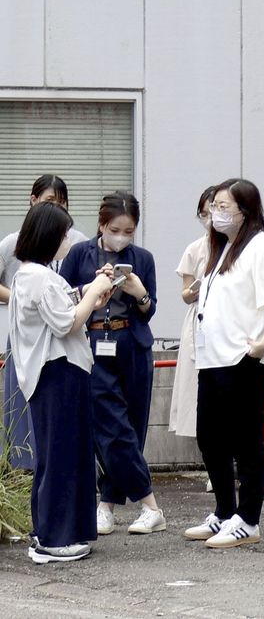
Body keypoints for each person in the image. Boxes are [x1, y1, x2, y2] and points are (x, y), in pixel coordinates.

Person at [185, 178, 264, 549]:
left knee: (246, 439)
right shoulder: (221, 248)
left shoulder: (261, 246)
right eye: (213, 206)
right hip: (213, 358)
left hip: (243, 358)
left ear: (245, 210)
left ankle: (248, 519)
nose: (216, 214)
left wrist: (263, 344)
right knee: (210, 437)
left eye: (224, 207)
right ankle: (224, 511)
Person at [10, 202, 112, 562]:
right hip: (59, 371)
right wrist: (97, 286)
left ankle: (50, 532)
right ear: (49, 236)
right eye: (63, 233)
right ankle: (55, 540)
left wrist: (91, 295)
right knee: (63, 455)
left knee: (56, 455)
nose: (67, 239)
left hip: (51, 373)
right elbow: (67, 323)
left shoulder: (28, 274)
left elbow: (64, 310)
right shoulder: (38, 276)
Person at [60, 192, 165, 537]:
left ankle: (106, 505)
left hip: (131, 345)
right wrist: (94, 286)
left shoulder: (142, 259)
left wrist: (138, 292)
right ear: (102, 224)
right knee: (110, 426)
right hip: (92, 342)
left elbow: (150, 310)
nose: (122, 236)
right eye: (116, 229)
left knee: (132, 427)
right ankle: (150, 506)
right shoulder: (80, 253)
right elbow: (64, 298)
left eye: (130, 230)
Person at [1, 175, 89, 471]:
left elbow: (70, 295)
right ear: (33, 199)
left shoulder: (77, 241)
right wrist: (24, 299)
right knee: (25, 404)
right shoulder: (17, 247)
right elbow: (65, 318)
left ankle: (44, 469)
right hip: (32, 334)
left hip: (62, 344)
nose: (57, 208)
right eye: (50, 201)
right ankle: (23, 468)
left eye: (62, 203)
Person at [168, 187, 215, 439]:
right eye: (204, 214)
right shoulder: (195, 249)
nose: (209, 220)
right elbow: (185, 293)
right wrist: (196, 290)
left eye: (214, 212)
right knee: (196, 391)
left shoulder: (239, 247)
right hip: (199, 321)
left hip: (227, 324)